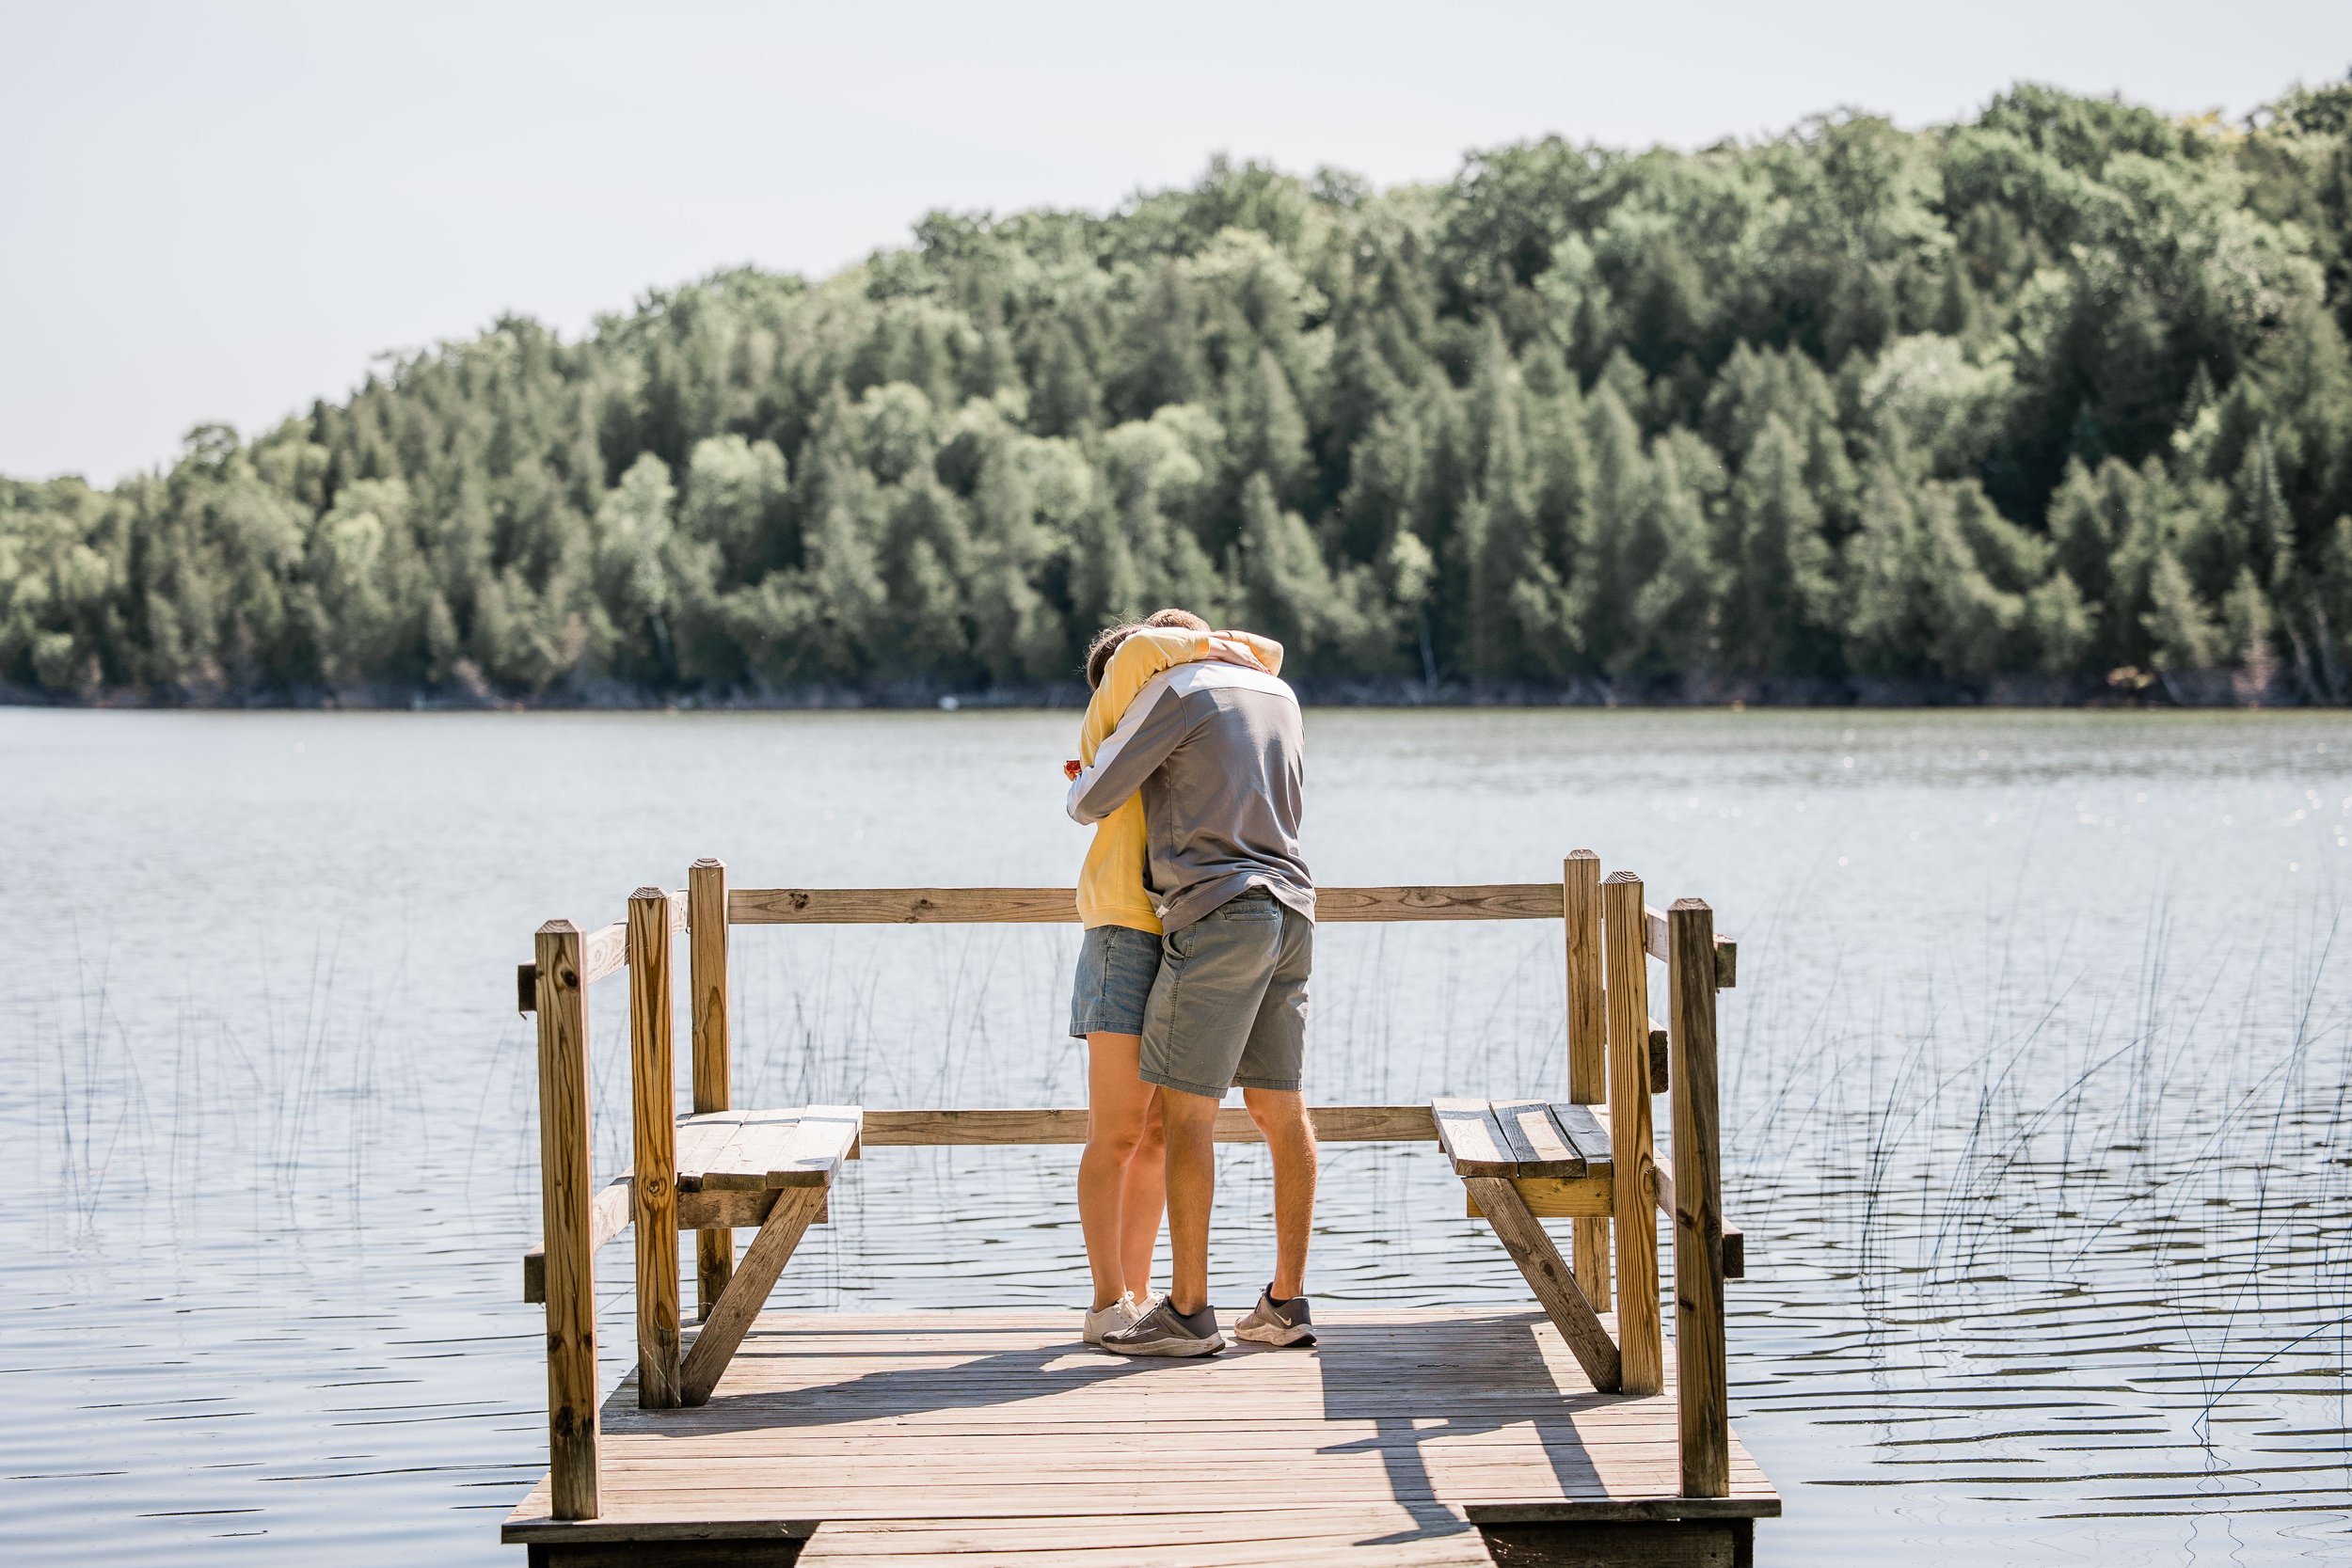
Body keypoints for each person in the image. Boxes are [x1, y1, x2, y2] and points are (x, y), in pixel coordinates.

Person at [1065, 634, 1319, 1358]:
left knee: (1185, 1112)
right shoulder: (1277, 691)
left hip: (1219, 909)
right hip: (1294, 906)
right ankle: (1285, 1304)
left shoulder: (1176, 690)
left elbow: (1090, 798)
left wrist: (1086, 771)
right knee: (1281, 1107)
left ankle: (1187, 1310)